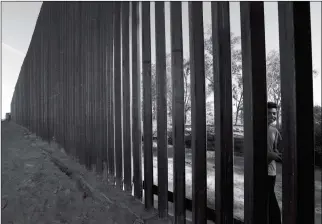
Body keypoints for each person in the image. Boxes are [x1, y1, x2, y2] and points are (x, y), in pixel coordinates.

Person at [267, 102, 282, 224]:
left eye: (274, 113)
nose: (273, 116)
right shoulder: (254, 130)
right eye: (269, 113)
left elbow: (276, 148)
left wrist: (276, 154)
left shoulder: (274, 131)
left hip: (271, 171)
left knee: (269, 198)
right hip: (258, 171)